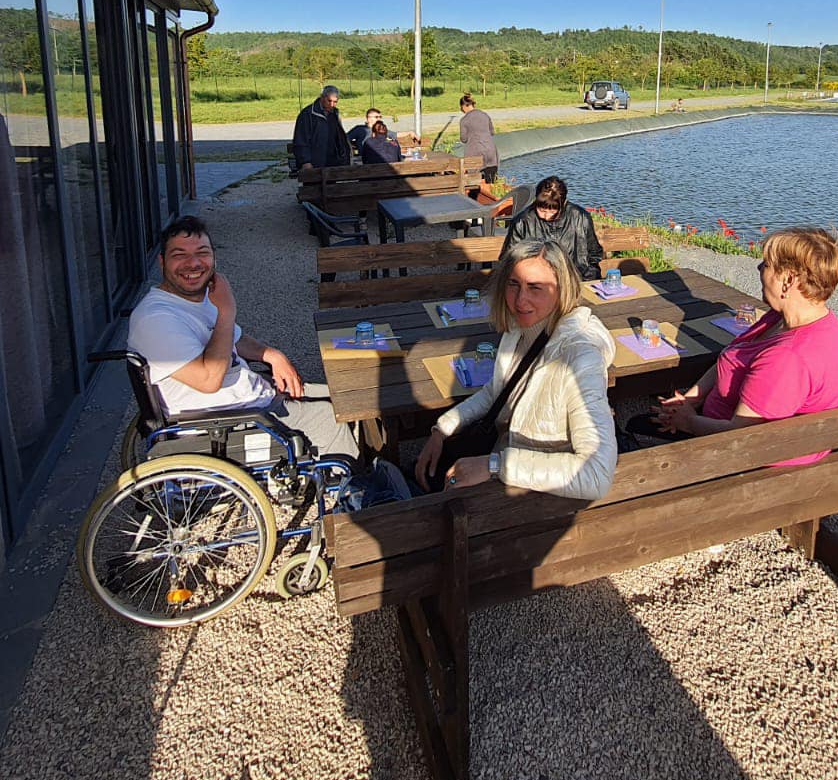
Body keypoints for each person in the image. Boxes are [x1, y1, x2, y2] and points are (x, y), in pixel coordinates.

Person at [127, 215, 359, 459]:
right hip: (225, 425)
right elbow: (208, 380)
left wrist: (273, 356)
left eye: (202, 252)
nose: (193, 263)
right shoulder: (155, 319)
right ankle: (348, 489)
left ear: (214, 257)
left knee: (347, 400)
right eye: (179, 255)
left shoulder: (192, 299)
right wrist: (226, 312)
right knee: (332, 418)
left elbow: (232, 339)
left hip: (252, 399)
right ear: (162, 261)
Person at [624, 227, 838, 463]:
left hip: (739, 460)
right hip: (726, 429)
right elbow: (732, 356)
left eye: (766, 264)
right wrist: (690, 400)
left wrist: (689, 421)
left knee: (625, 432)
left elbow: (743, 436)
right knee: (642, 422)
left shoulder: (788, 357)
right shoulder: (789, 319)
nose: (759, 269)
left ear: (788, 280)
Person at [414, 240, 617, 500]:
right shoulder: (521, 328)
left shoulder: (579, 358)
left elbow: (596, 474)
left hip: (536, 496)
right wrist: (441, 430)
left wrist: (494, 465)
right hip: (507, 466)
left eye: (535, 288)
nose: (521, 300)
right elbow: (496, 392)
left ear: (563, 288)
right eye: (514, 284)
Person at [501, 176, 605, 281]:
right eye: (541, 210)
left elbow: (594, 253)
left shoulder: (581, 217)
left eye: (552, 211)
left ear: (563, 204)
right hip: (536, 281)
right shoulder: (522, 222)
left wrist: (587, 276)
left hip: (577, 279)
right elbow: (509, 258)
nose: (546, 216)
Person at [292, 84, 350, 171]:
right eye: (329, 101)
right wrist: (305, 161)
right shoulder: (307, 114)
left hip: (332, 161)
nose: (332, 105)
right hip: (315, 162)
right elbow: (301, 140)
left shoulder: (334, 113)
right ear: (322, 98)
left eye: (335, 102)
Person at [457, 93, 498, 184]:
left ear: (464, 106)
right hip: (490, 151)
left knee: (474, 182)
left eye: (461, 108)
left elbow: (464, 139)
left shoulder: (464, 120)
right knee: (491, 181)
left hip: (474, 153)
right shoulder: (485, 115)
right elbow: (492, 132)